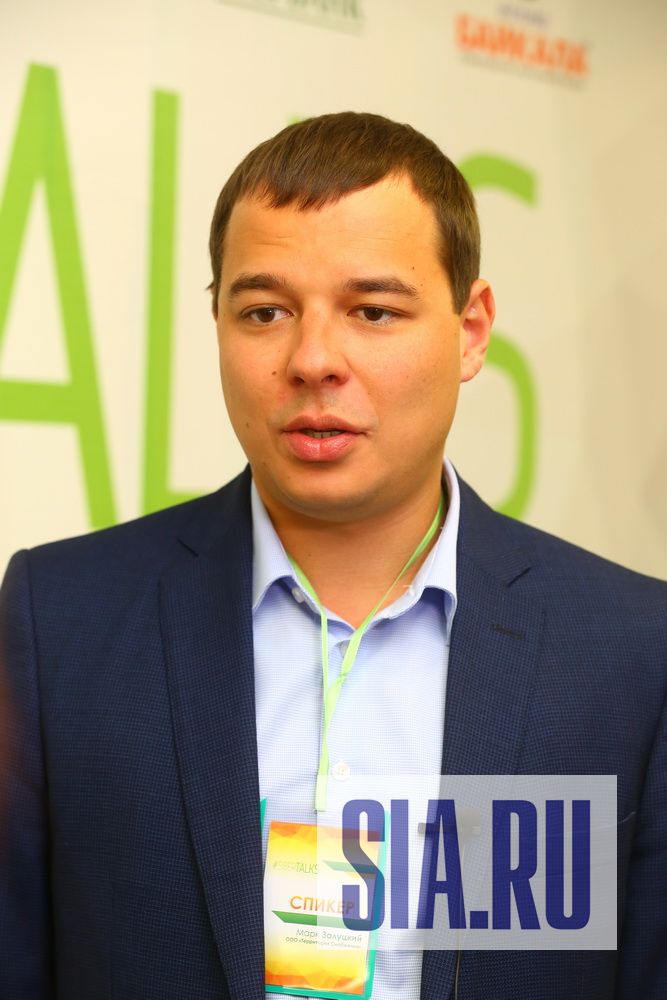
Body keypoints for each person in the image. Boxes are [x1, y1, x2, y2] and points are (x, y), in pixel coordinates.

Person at [0, 111, 665, 1000]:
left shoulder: (626, 652)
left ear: (470, 331)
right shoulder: (61, 622)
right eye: (265, 312)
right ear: (217, 323)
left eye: (373, 311)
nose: (313, 359)